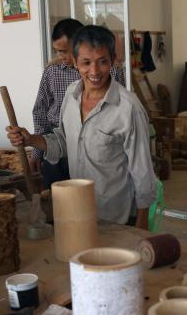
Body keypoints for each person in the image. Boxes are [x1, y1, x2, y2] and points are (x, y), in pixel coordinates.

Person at [8, 25, 155, 227]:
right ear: (75, 62)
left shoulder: (128, 108)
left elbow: (143, 170)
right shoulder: (71, 95)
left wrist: (141, 224)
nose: (94, 71)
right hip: (79, 210)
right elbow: (64, 140)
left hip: (116, 218)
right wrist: (31, 139)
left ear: (112, 60)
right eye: (86, 62)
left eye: (102, 62)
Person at [32, 18, 126, 187]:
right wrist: (38, 152)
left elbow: (121, 113)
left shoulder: (110, 72)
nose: (61, 57)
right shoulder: (52, 71)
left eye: (64, 51)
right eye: (57, 52)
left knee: (94, 195)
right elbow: (40, 111)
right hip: (57, 144)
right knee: (60, 197)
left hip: (98, 147)